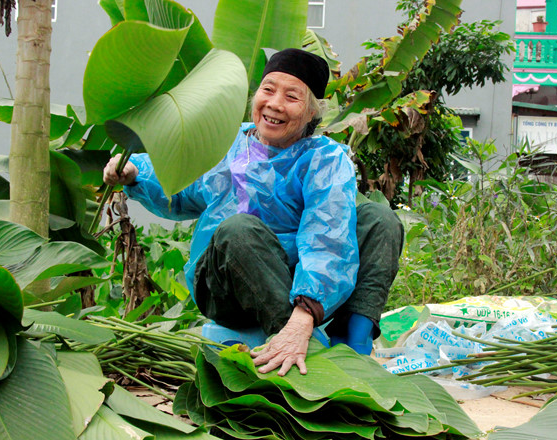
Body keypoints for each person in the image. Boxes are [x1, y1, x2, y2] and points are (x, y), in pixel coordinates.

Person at [103, 48, 404, 376]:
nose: (275, 104)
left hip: (293, 283)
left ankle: (354, 344)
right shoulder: (225, 145)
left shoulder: (325, 158)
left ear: (311, 114)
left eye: (292, 96)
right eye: (268, 89)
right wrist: (136, 171)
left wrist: (306, 313)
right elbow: (180, 178)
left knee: (380, 219)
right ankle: (292, 340)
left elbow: (327, 236)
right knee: (238, 229)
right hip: (224, 282)